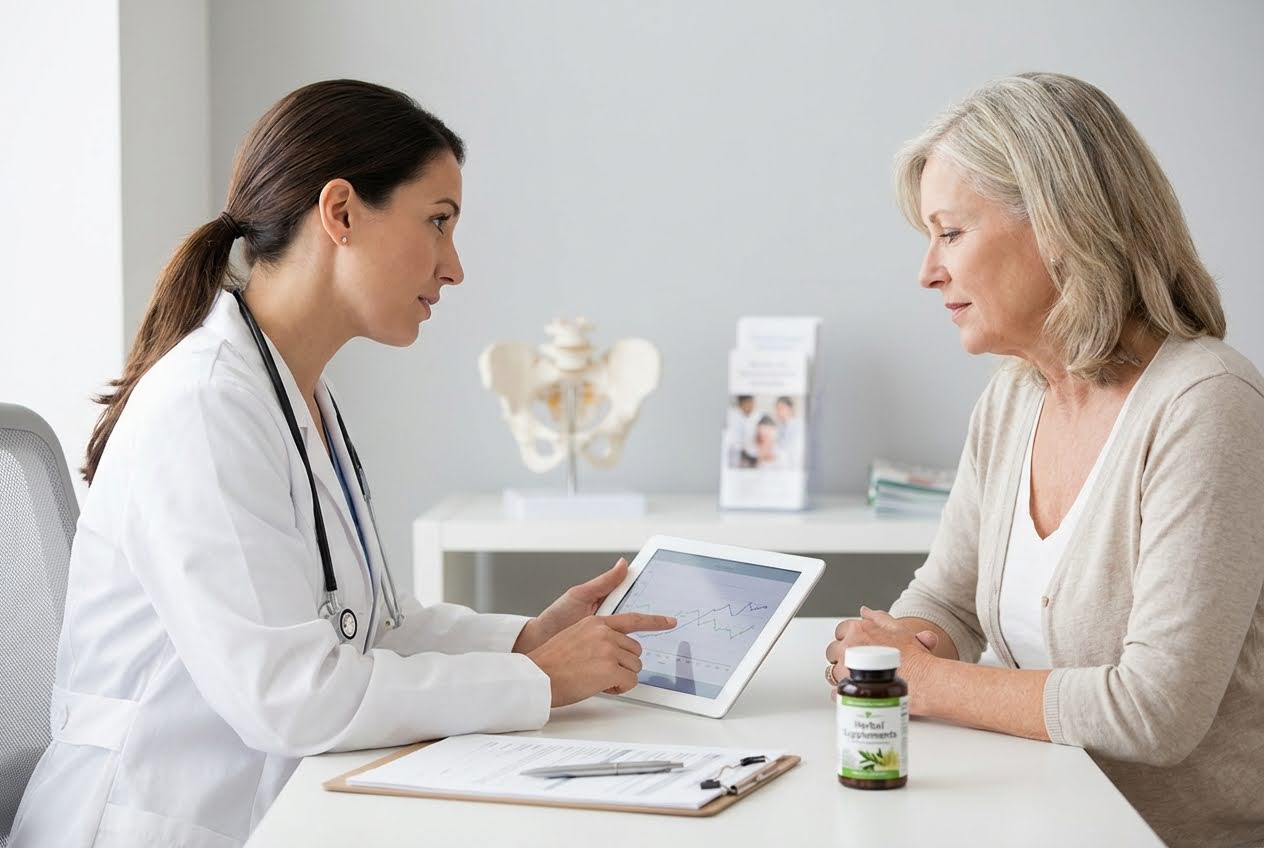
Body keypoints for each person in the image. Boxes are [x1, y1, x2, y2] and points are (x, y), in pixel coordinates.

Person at [11, 79, 674, 848]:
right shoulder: (205, 408)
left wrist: (522, 641)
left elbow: (360, 630)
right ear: (341, 213)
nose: (453, 267)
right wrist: (540, 681)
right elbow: (291, 699)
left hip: (274, 806)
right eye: (437, 222)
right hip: (153, 824)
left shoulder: (295, 394)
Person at [825, 72, 1264, 847]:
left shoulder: (1207, 402)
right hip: (1030, 814)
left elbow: (1154, 712)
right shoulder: (1015, 395)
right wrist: (894, 650)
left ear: (1060, 225)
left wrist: (927, 680)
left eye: (951, 232)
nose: (927, 271)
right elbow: (950, 600)